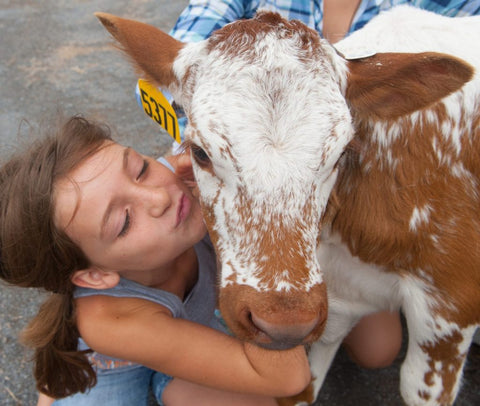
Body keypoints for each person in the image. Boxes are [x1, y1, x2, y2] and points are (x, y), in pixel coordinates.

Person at [135, 0, 480, 366]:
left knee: (378, 352)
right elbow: (179, 62)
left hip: (345, 193)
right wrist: (211, 143)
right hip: (254, 179)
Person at [0, 115, 311, 406]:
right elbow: (287, 377)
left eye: (140, 169)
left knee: (363, 350)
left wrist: (207, 160)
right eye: (123, 222)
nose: (160, 198)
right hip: (115, 365)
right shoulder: (111, 322)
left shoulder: (174, 192)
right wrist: (269, 250)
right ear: (96, 275)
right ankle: (58, 390)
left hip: (169, 338)